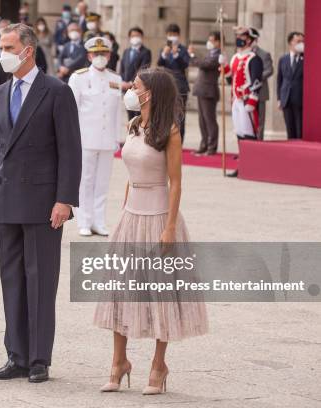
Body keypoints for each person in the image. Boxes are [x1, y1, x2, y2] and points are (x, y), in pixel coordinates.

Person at [94, 67, 207, 395]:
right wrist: (123, 210)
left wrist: (170, 226)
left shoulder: (170, 131)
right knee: (120, 292)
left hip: (158, 216)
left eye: (137, 86)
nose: (131, 89)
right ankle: (119, 361)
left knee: (161, 295)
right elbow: (130, 175)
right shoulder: (132, 125)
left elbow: (176, 183)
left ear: (151, 93)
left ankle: (158, 365)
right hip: (131, 216)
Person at [0, 23, 82, 383]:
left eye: (9, 47)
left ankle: (39, 357)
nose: (3, 54)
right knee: (11, 279)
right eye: (1, 47)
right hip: (8, 198)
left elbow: (70, 150)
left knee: (40, 280)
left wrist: (65, 199)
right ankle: (16, 355)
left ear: (28, 50)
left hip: (45, 203)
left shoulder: (56, 91)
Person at [69, 37, 122, 237]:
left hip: (107, 139)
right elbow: (71, 111)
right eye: (96, 54)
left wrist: (117, 138)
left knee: (102, 183)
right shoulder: (79, 77)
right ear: (89, 55)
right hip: (85, 138)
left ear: (109, 55)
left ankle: (99, 221)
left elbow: (117, 111)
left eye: (104, 54)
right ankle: (84, 220)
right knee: (85, 181)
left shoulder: (115, 79)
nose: (100, 57)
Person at [221, 27, 263, 177]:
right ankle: (243, 166)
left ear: (250, 40)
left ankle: (253, 167)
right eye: (238, 36)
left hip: (247, 101)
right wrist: (224, 64)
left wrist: (252, 101)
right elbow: (229, 79)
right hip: (236, 101)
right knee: (240, 133)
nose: (239, 39)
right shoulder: (235, 57)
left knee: (249, 134)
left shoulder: (254, 58)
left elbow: (257, 81)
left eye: (243, 37)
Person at [188, 31, 221, 155]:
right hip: (202, 90)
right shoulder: (211, 53)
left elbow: (203, 64)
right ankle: (204, 144)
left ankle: (212, 146)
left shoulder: (218, 55)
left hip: (209, 91)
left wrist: (192, 54)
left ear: (218, 42)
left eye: (212, 40)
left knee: (209, 119)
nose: (210, 43)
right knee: (202, 120)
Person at [157, 24, 189, 141]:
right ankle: (166, 139)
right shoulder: (164, 49)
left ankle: (179, 140)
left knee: (180, 115)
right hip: (166, 85)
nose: (172, 37)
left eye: (174, 35)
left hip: (180, 86)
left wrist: (176, 54)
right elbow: (160, 64)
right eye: (170, 35)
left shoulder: (183, 49)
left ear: (179, 35)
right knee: (165, 114)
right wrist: (164, 54)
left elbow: (185, 65)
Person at [119, 26, 152, 120]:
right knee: (129, 114)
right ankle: (131, 133)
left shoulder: (146, 52)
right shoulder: (126, 51)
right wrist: (123, 81)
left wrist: (131, 83)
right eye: (133, 36)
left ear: (142, 37)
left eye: (137, 35)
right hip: (126, 89)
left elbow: (143, 69)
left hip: (138, 88)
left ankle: (138, 133)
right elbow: (122, 68)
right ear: (129, 37)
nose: (135, 37)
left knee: (138, 114)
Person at [277, 31, 304, 139]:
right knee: (290, 129)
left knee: (299, 130)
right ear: (290, 43)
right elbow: (279, 79)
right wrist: (279, 98)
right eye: (298, 41)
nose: (301, 44)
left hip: (300, 99)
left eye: (302, 41)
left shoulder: (306, 59)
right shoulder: (283, 59)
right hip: (286, 98)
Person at [250, 27, 274, 140]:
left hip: (259, 91)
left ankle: (258, 145)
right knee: (246, 121)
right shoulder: (243, 54)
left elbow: (269, 70)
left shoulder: (264, 54)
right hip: (245, 92)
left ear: (255, 39)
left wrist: (254, 78)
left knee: (259, 121)